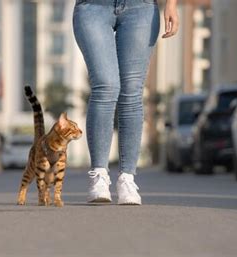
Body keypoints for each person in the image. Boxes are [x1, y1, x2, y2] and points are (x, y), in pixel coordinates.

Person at [73, 0, 179, 205]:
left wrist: (171, 5)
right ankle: (99, 176)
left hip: (141, 8)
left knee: (131, 91)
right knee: (106, 85)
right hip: (92, 7)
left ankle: (127, 178)